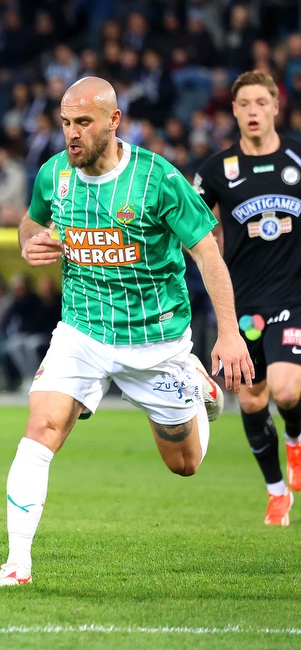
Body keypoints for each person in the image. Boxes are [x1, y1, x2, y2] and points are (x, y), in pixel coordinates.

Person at [0, 77, 252, 587]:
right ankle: (18, 563)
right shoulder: (54, 174)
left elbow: (208, 254)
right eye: (65, 123)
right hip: (81, 333)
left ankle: (199, 387)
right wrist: (31, 243)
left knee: (185, 463)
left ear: (113, 121)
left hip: (155, 343)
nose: (71, 134)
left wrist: (229, 334)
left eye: (82, 122)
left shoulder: (158, 179)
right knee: (40, 427)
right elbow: (29, 224)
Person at [193, 70, 301, 526]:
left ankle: (294, 438)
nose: (253, 111)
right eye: (244, 104)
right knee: (254, 402)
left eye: (261, 102)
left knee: (286, 389)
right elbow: (189, 221)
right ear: (233, 111)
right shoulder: (218, 169)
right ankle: (277, 492)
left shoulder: (298, 157)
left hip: (293, 297)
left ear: (276, 106)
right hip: (242, 305)